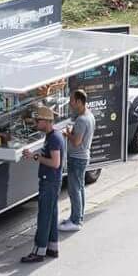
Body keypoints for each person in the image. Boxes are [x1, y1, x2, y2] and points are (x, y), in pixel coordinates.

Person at [21, 106, 65, 263]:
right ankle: (52, 248)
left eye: (38, 120)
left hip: (50, 181)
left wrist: (35, 157)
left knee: (44, 217)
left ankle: (38, 251)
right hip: (51, 181)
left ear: (46, 121)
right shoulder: (52, 136)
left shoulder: (53, 139)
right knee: (51, 215)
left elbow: (55, 162)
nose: (35, 123)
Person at [59, 89, 95, 232]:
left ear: (79, 102)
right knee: (79, 188)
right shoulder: (89, 115)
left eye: (72, 100)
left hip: (77, 158)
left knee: (74, 190)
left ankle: (76, 221)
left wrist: (67, 134)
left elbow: (77, 142)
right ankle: (77, 216)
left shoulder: (81, 120)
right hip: (83, 156)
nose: (70, 103)